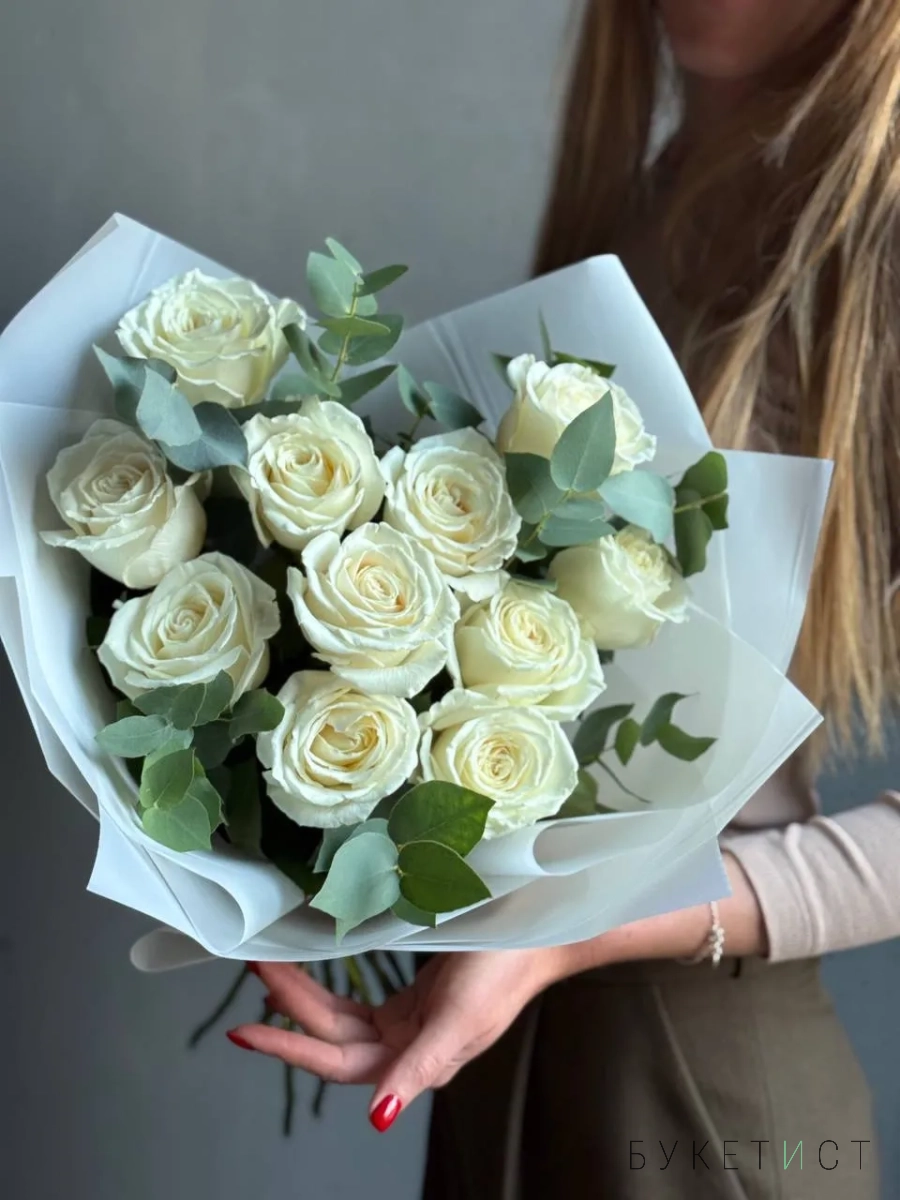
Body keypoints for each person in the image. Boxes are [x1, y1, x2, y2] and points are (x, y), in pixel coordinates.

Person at [225, 1, 900, 1195]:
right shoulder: (653, 190)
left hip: (704, 1099)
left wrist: (581, 929)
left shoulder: (875, 243)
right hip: (506, 1045)